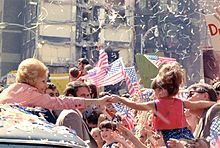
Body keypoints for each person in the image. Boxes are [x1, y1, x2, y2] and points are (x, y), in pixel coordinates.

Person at [111, 62, 215, 145]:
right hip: (186, 136)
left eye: (156, 90)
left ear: (162, 90)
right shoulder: (180, 102)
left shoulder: (156, 104)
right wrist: (214, 104)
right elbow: (199, 104)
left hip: (171, 139)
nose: (155, 93)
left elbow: (135, 106)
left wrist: (121, 100)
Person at [0, 58, 111, 110]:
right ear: (32, 80)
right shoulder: (30, 93)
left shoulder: (11, 89)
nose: (46, 85)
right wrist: (97, 101)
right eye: (43, 81)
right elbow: (61, 102)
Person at [54, 80, 97, 148]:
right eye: (82, 95)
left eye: (88, 95)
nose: (86, 99)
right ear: (71, 97)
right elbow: (77, 146)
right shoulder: (71, 116)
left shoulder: (74, 113)